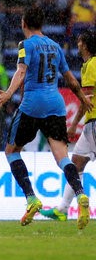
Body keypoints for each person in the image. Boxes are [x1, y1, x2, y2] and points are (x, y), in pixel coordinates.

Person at [0, 7, 92, 229]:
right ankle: (81, 194)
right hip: (55, 104)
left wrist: (9, 93)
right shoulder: (55, 46)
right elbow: (70, 79)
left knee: (11, 152)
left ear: (23, 23)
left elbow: (20, 71)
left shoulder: (25, 45)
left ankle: (31, 198)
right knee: (62, 157)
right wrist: (83, 99)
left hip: (33, 104)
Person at [41, 29, 96, 222]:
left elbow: (86, 99)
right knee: (76, 164)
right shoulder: (88, 65)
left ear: (86, 45)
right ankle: (63, 208)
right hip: (91, 126)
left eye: (80, 41)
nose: (77, 44)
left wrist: (73, 126)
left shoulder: (92, 65)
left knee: (76, 164)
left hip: (94, 123)